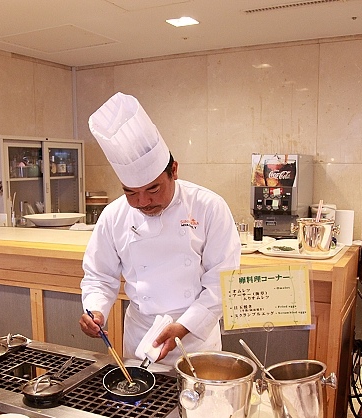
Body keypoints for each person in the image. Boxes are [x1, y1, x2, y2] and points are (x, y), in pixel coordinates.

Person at [80, 92, 241, 367]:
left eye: (153, 189)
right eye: (131, 192)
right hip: (141, 339)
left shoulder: (208, 206)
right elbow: (99, 275)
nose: (143, 202)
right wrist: (95, 311)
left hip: (196, 340)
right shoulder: (114, 215)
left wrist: (184, 326)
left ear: (174, 170)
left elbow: (221, 283)